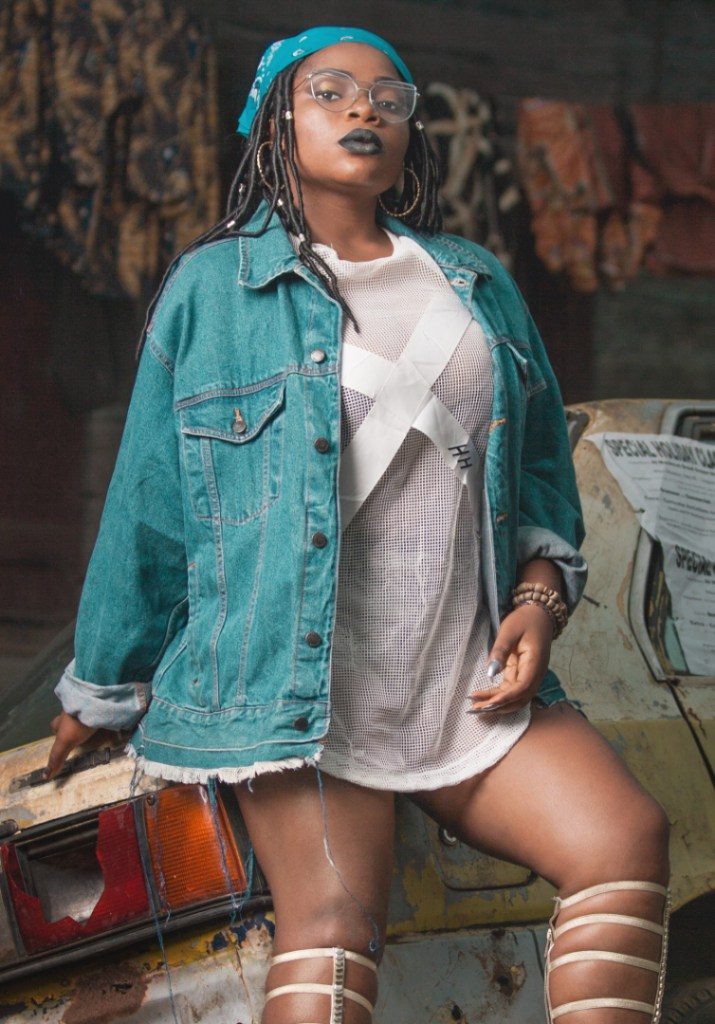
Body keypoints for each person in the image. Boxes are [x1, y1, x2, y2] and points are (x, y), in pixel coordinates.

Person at [45, 26, 670, 1024]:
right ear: (275, 120)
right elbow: (151, 505)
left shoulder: (474, 281)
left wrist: (539, 599)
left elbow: (540, 480)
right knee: (333, 925)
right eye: (330, 91)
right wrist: (102, 689)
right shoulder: (214, 289)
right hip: (291, 691)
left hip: (460, 679)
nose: (362, 110)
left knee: (621, 837)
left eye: (388, 96)